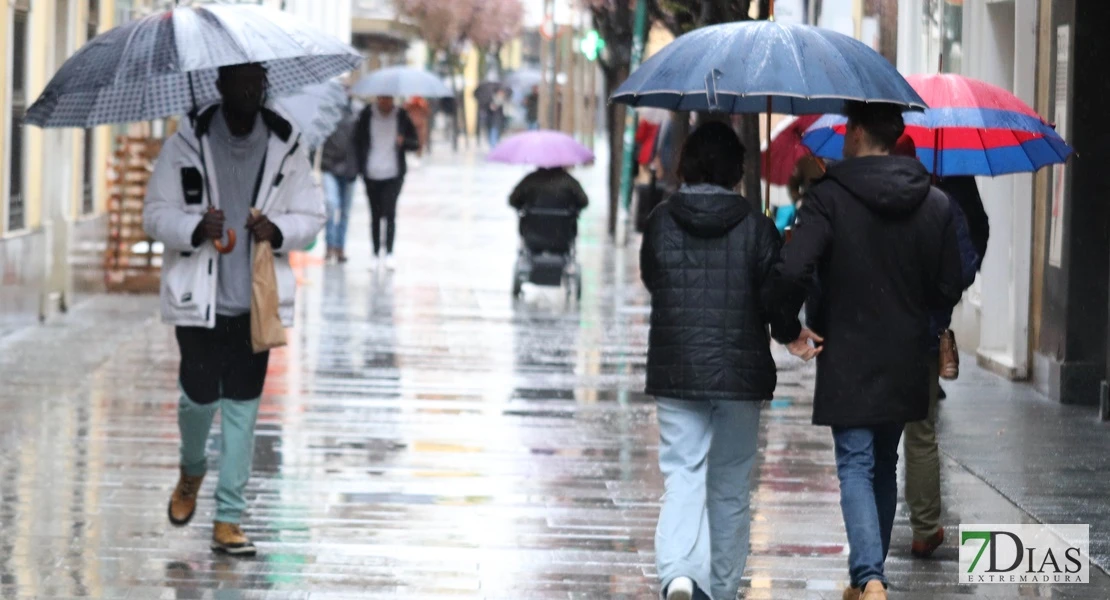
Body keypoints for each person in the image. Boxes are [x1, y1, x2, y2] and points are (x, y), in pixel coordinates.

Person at [766, 102, 964, 600]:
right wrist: (924, 316)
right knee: (883, 457)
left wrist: (788, 326)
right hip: (906, 351)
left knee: (856, 461)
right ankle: (867, 576)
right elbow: (950, 281)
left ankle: (869, 577)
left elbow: (793, 269)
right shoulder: (935, 202)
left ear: (855, 133)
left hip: (847, 348)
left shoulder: (828, 197)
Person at [143, 62, 326, 557]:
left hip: (257, 301)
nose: (249, 91)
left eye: (256, 83)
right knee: (197, 401)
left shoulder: (287, 146)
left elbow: (313, 215)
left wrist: (279, 229)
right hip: (197, 302)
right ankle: (191, 470)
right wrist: (194, 227)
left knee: (243, 410)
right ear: (220, 86)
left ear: (264, 86)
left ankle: (228, 517)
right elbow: (154, 214)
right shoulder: (186, 143)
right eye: (238, 82)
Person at [640, 122, 798, 600]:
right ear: (736, 170)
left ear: (686, 164)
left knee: (683, 474)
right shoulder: (757, 225)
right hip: (739, 373)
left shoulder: (661, 220)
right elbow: (775, 301)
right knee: (729, 488)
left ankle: (680, 574)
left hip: (677, 367)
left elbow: (654, 279)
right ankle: (723, 590)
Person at [895, 137, 982, 561]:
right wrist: (938, 299)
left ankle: (869, 537)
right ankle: (925, 529)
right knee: (920, 430)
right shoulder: (940, 204)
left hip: (868, 336)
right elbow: (963, 267)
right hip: (922, 334)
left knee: (872, 437)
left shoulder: (855, 199)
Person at [355, 96, 420, 269]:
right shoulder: (367, 114)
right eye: (382, 98)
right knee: (375, 215)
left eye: (389, 98)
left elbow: (415, 143)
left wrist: (403, 142)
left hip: (393, 174)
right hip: (371, 173)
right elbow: (358, 140)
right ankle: (375, 253)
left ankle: (389, 252)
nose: (386, 101)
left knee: (390, 212)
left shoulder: (402, 116)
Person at [320, 100, 360, 263]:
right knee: (331, 205)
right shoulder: (326, 114)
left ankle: (340, 247)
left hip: (349, 170)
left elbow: (362, 144)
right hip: (330, 167)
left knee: (345, 212)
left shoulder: (357, 114)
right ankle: (330, 246)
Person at [509, 166, 589, 213]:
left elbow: (513, 200)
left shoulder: (530, 179)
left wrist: (525, 207)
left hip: (532, 230)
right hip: (564, 231)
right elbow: (583, 201)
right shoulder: (569, 180)